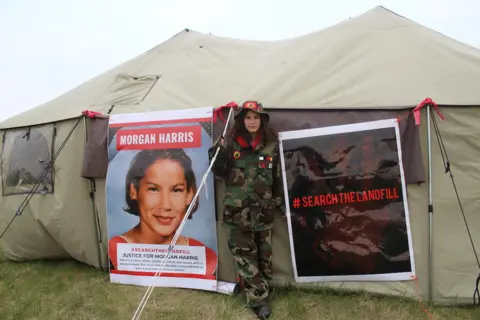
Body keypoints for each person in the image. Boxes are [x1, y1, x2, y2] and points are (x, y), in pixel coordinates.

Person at [208, 101, 285, 319]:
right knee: (245, 256)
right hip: (238, 211)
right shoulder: (230, 144)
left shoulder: (271, 145)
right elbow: (219, 170)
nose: (252, 121)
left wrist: (281, 206)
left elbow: (277, 178)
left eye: (256, 117)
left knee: (264, 256)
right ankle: (258, 300)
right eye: (248, 117)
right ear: (241, 120)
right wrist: (218, 151)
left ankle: (260, 289)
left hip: (264, 210)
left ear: (262, 120)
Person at [108, 148, 217, 278]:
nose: (165, 205)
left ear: (189, 194)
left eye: (176, 190)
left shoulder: (204, 254)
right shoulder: (117, 249)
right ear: (134, 191)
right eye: (153, 189)